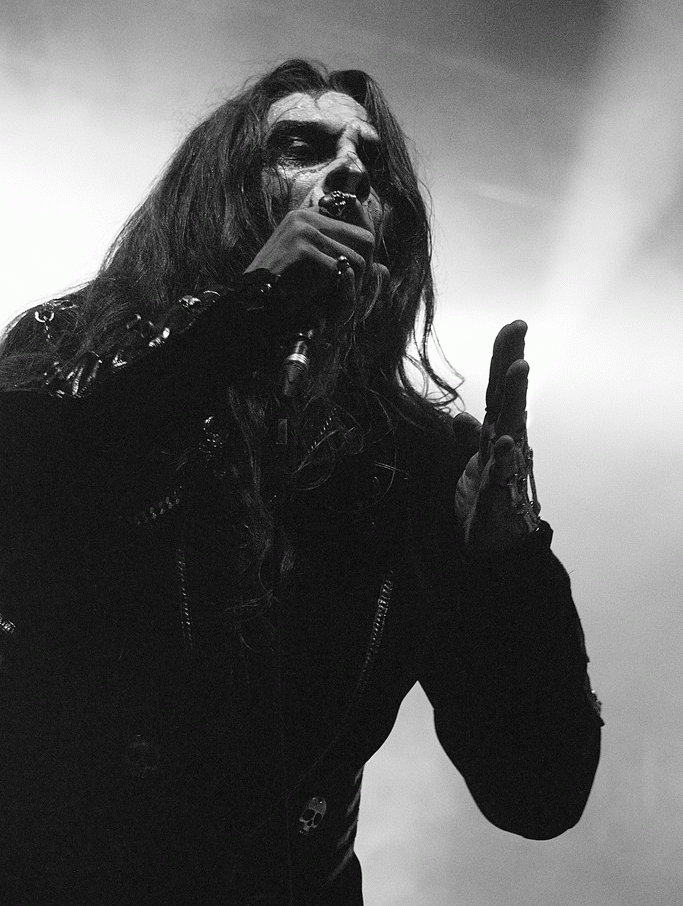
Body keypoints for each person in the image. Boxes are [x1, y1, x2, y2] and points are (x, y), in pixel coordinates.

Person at [0, 59, 602, 906]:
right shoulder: (76, 351)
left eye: (372, 161)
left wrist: (512, 565)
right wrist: (250, 314)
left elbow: (538, 794)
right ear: (222, 194)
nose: (351, 169)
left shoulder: (422, 462)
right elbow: (38, 502)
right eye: (302, 146)